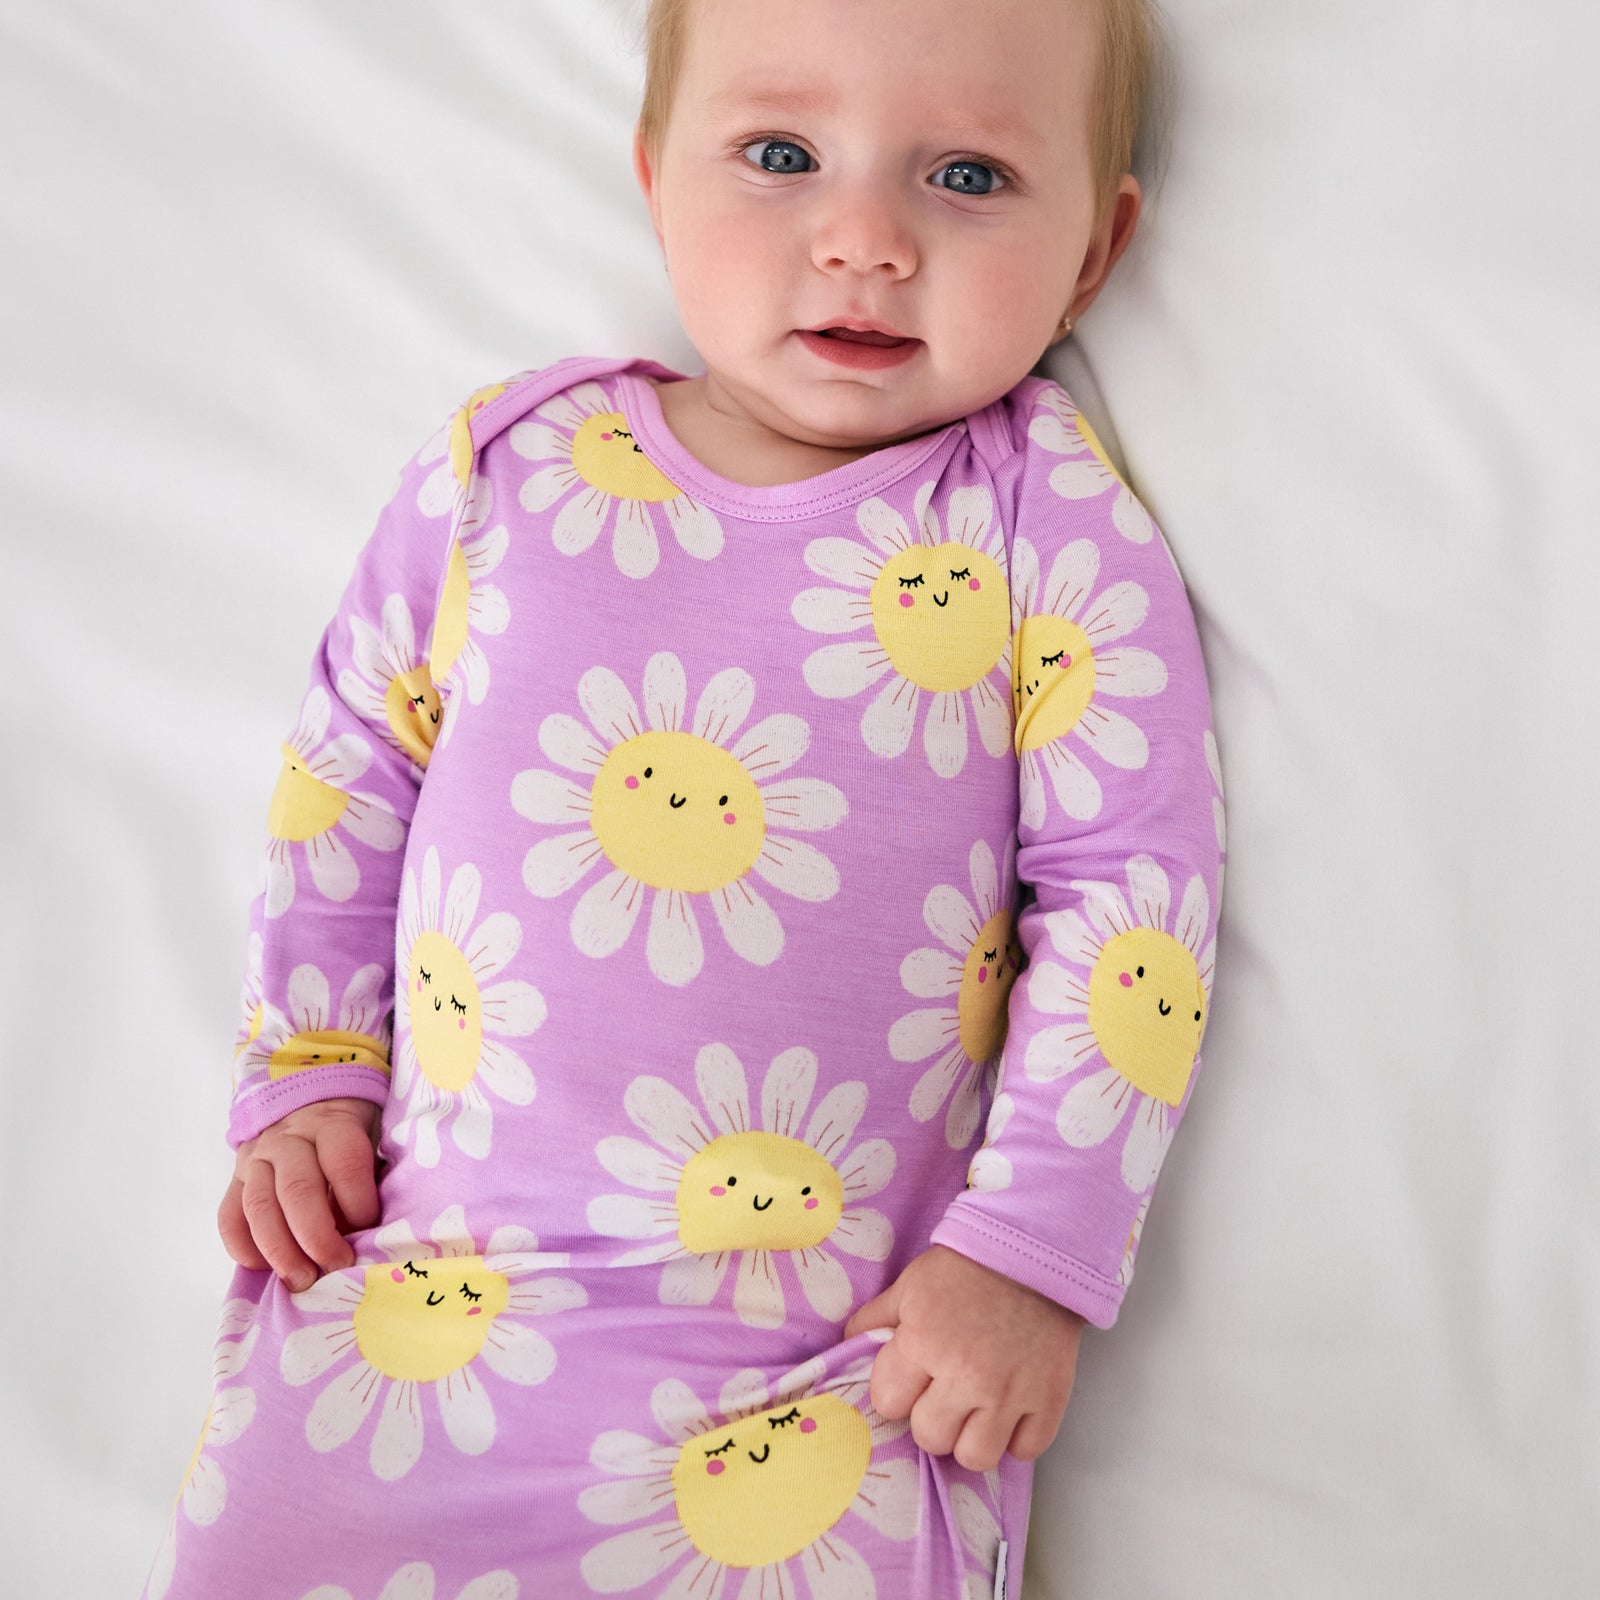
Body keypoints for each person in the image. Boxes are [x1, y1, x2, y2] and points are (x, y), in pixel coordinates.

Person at [144, 0, 1222, 1594]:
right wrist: (307, 1067)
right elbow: (349, 774)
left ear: (1093, 254)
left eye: (972, 177)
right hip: (416, 1312)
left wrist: (1031, 1253)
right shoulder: (509, 470)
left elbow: (1137, 891)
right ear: (655, 178)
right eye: (780, 155)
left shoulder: (1039, 518)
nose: (865, 239)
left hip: (819, 1362)